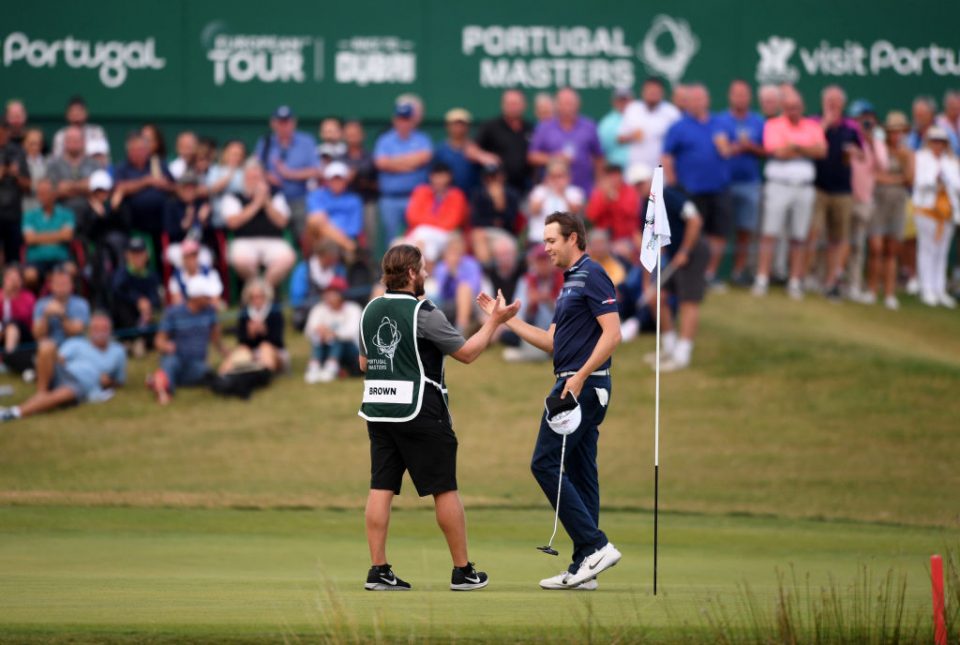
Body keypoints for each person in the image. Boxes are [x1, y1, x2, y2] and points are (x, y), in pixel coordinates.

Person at [357, 243, 519, 592]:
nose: (428, 273)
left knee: (381, 486)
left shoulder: (369, 310)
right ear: (412, 273)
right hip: (421, 411)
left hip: (379, 411)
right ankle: (462, 571)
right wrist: (494, 322)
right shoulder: (424, 313)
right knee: (444, 487)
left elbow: (364, 363)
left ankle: (378, 569)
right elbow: (468, 353)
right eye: (424, 268)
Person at [477, 211, 622, 591]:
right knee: (580, 471)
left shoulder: (592, 274)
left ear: (573, 238)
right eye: (544, 242)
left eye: (551, 241)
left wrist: (579, 376)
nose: (545, 249)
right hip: (576, 384)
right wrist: (504, 319)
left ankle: (594, 545)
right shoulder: (570, 282)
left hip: (582, 387)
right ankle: (584, 567)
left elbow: (613, 334)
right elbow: (552, 343)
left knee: (543, 463)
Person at [752, 87, 827, 299]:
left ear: (802, 108)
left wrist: (795, 145)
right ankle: (762, 278)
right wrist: (805, 147)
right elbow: (778, 152)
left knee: (799, 236)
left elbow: (821, 151)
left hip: (804, 186)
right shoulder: (773, 125)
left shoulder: (812, 126)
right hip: (779, 184)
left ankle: (795, 281)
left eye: (796, 107)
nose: (793, 111)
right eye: (789, 108)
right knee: (769, 233)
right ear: (783, 109)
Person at [662, 84, 733, 286]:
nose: (697, 103)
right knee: (693, 232)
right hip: (691, 189)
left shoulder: (719, 123)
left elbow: (731, 149)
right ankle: (695, 272)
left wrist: (726, 147)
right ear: (687, 102)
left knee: (718, 232)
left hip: (719, 187)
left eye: (701, 99)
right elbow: (667, 156)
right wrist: (674, 183)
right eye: (693, 99)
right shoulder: (679, 126)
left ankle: (710, 274)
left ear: (707, 100)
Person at [640, 173, 710, 372]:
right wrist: (647, 283)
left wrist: (685, 251)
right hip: (674, 254)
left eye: (641, 183)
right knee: (657, 296)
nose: (639, 188)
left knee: (688, 302)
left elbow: (695, 220)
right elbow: (650, 244)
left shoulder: (669, 195)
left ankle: (683, 354)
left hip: (693, 250)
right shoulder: (645, 206)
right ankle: (670, 346)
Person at [0, 313, 126, 423]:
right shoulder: (76, 343)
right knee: (46, 346)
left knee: (67, 391)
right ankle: (41, 393)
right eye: (96, 328)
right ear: (90, 330)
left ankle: (12, 413)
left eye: (104, 328)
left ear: (110, 330)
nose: (100, 332)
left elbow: (119, 382)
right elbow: (59, 358)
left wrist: (109, 382)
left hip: (82, 384)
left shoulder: (118, 351)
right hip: (64, 372)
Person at [807, 86, 862, 300]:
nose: (832, 104)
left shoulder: (851, 126)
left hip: (842, 189)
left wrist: (855, 152)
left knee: (838, 238)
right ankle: (807, 276)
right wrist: (827, 123)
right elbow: (811, 142)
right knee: (813, 232)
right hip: (818, 186)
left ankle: (831, 281)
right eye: (829, 100)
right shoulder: (813, 121)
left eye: (836, 101)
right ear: (822, 101)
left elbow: (861, 152)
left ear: (843, 104)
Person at [715, 80, 766, 284]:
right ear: (730, 96)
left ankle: (738, 272)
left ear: (749, 97)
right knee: (720, 231)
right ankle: (712, 274)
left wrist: (749, 147)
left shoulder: (758, 121)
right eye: (736, 94)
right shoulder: (720, 120)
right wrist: (736, 147)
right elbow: (720, 149)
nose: (740, 98)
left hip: (750, 183)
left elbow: (766, 150)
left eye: (744, 94)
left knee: (745, 230)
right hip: (724, 183)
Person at [862, 111, 913, 310]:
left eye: (900, 132)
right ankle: (872, 290)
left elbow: (910, 178)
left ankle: (890, 293)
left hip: (898, 202)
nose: (896, 135)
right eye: (893, 132)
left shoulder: (907, 153)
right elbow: (874, 175)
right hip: (878, 200)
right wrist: (896, 179)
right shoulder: (879, 149)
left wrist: (893, 176)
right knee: (875, 247)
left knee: (892, 250)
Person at [222, 160, 297, 287]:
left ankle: (262, 291)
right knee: (239, 260)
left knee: (288, 258)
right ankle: (260, 293)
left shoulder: (276, 196)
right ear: (244, 179)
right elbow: (232, 223)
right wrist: (256, 204)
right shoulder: (233, 197)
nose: (255, 181)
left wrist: (266, 203)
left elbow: (283, 223)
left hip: (274, 241)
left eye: (258, 178)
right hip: (243, 241)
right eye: (251, 178)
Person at [150, 275, 223, 405]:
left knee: (207, 372)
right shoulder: (173, 313)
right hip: (176, 359)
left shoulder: (210, 312)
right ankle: (164, 390)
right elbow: (159, 340)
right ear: (196, 297)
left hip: (196, 364)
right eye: (207, 297)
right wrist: (165, 346)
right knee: (170, 363)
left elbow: (216, 339)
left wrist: (228, 355)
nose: (210, 300)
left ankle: (158, 380)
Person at [254, 106, 319, 239]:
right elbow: (256, 167)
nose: (284, 126)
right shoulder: (265, 142)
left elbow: (316, 170)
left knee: (306, 236)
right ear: (273, 123)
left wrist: (289, 174)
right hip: (273, 198)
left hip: (299, 198)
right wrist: (267, 176)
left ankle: (307, 259)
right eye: (280, 122)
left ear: (294, 122)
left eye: (287, 122)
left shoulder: (306, 141)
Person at [912, 126, 960, 308]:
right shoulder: (921, 158)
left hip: (947, 212)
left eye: (941, 141)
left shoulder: (951, 162)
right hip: (926, 209)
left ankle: (939, 290)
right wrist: (935, 179)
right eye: (934, 141)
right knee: (927, 250)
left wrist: (946, 180)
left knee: (941, 252)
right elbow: (920, 181)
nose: (937, 145)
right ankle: (927, 289)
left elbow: (957, 184)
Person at [374, 102, 433, 246]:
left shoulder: (422, 138)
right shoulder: (385, 140)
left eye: (406, 119)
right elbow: (381, 163)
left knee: (417, 236)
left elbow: (425, 157)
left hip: (415, 197)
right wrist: (411, 163)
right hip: (390, 198)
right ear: (394, 120)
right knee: (391, 237)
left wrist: (394, 163)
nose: (403, 123)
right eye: (400, 118)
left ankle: (414, 268)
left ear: (412, 120)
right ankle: (391, 268)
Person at [112, 132, 174, 266]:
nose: (139, 153)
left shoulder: (158, 165)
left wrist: (165, 185)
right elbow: (119, 187)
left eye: (142, 149)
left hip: (161, 221)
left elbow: (174, 187)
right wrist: (146, 181)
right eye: (135, 150)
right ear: (128, 151)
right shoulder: (122, 168)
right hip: (135, 221)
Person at [529, 88, 603, 194]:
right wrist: (554, 158)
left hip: (584, 191)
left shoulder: (589, 126)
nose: (567, 107)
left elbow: (599, 158)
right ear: (557, 105)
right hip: (552, 194)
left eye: (570, 103)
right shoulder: (544, 128)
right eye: (564, 103)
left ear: (578, 104)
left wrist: (599, 183)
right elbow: (532, 156)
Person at [501, 245, 563, 363]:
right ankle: (543, 351)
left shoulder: (563, 280)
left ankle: (534, 352)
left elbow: (568, 314)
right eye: (539, 262)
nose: (543, 265)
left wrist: (549, 301)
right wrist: (531, 303)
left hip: (556, 330)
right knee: (507, 335)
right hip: (533, 328)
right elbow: (518, 314)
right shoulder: (526, 281)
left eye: (546, 261)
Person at [847, 100, 882, 301]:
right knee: (837, 243)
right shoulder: (847, 137)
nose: (863, 123)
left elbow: (883, 164)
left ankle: (853, 285)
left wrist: (870, 142)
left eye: (867, 119)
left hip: (865, 200)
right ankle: (827, 280)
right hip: (844, 196)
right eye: (859, 119)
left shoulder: (875, 141)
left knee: (857, 246)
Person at [219, 278, 286, 375]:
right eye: (253, 297)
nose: (256, 300)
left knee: (265, 347)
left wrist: (265, 331)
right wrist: (250, 334)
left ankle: (264, 374)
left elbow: (278, 341)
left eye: (259, 297)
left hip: (273, 352)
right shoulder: (245, 313)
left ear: (265, 296)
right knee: (242, 351)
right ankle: (223, 374)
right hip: (251, 351)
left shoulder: (274, 312)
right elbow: (241, 341)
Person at [82, 170, 129, 307]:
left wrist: (113, 211)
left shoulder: (120, 206)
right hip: (99, 253)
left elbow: (125, 227)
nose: (102, 195)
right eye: (98, 191)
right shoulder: (89, 210)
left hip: (120, 249)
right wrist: (98, 216)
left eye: (105, 191)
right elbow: (88, 233)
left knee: (114, 241)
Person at [404, 162, 468, 262]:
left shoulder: (457, 195)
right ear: (431, 177)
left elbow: (452, 222)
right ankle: (425, 275)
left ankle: (420, 273)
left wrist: (427, 223)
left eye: (442, 176)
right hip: (420, 233)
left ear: (449, 177)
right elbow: (412, 217)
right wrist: (434, 221)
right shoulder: (421, 191)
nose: (439, 180)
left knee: (422, 235)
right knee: (426, 244)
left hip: (445, 234)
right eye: (436, 176)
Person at [303, 276, 362, 383]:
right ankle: (314, 366)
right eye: (327, 292)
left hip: (351, 352)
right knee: (319, 337)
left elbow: (352, 332)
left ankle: (331, 366)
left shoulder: (353, 309)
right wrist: (320, 331)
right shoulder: (319, 309)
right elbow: (308, 331)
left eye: (332, 292)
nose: (328, 296)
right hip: (325, 347)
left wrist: (332, 333)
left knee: (336, 338)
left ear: (341, 294)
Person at [475, 90, 533, 195]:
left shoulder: (530, 128)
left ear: (524, 105)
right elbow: (470, 148)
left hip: (525, 187)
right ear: (503, 105)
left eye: (516, 104)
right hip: (498, 187)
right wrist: (482, 156)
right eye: (509, 104)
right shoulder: (491, 126)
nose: (513, 107)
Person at [110, 238, 161, 355]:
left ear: (146, 255)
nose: (137, 257)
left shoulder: (151, 275)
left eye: (140, 253)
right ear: (127, 255)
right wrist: (138, 300)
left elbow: (156, 297)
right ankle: (130, 340)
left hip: (145, 318)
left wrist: (148, 305)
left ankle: (139, 341)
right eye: (134, 254)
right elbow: (118, 290)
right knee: (121, 305)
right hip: (126, 320)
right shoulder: (121, 273)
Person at [618, 77, 682, 170]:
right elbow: (620, 139)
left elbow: (680, 141)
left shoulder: (672, 112)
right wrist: (632, 136)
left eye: (656, 92)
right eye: (650, 91)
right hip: (637, 170)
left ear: (662, 93)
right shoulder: (632, 109)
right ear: (643, 92)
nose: (652, 94)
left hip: (662, 170)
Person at [22, 178, 75, 288]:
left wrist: (39, 236)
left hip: (61, 259)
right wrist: (58, 235)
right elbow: (29, 239)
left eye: (46, 193)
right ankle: (33, 303)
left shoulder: (67, 214)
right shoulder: (29, 215)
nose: (42, 196)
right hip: (36, 261)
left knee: (71, 270)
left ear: (54, 194)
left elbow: (67, 236)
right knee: (29, 275)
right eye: (39, 193)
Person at [432, 108, 497, 196]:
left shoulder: (476, 148)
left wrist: (478, 155)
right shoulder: (440, 150)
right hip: (448, 200)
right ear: (447, 126)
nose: (458, 128)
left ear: (468, 127)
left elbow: (494, 165)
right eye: (455, 124)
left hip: (472, 198)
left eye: (462, 124)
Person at [305, 161, 362, 255]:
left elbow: (354, 229)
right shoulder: (317, 195)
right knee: (314, 220)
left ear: (346, 181)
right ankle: (348, 245)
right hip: (321, 239)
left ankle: (345, 244)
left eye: (340, 179)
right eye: (333, 179)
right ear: (328, 181)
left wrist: (335, 235)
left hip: (344, 237)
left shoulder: (354, 200)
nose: (336, 182)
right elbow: (316, 220)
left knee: (331, 243)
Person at [430, 233, 483, 333]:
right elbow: (440, 291)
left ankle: (461, 330)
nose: (455, 253)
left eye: (457, 249)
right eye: (452, 249)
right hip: (447, 303)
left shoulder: (471, 263)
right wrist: (449, 271)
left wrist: (456, 274)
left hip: (471, 302)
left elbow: (473, 288)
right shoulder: (442, 266)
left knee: (463, 289)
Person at [469, 163, 519, 265]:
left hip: (505, 234)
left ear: (501, 177)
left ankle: (492, 274)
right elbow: (475, 221)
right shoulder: (478, 195)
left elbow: (511, 222)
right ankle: (487, 272)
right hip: (484, 233)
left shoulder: (511, 194)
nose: (491, 181)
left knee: (502, 247)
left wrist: (500, 203)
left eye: (494, 177)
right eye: (488, 178)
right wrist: (494, 221)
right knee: (478, 235)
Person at [585, 164, 641, 254]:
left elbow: (631, 212)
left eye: (616, 175)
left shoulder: (630, 191)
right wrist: (605, 200)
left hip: (626, 237)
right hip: (603, 237)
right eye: (610, 176)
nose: (613, 179)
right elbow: (591, 216)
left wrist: (615, 199)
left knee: (621, 249)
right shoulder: (600, 192)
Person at [163, 172, 214, 269]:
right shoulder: (171, 205)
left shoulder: (202, 204)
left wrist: (203, 221)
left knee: (205, 258)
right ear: (179, 189)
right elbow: (170, 232)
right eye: (186, 187)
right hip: (178, 246)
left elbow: (211, 236)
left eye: (192, 187)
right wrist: (185, 223)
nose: (189, 190)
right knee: (182, 258)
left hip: (199, 247)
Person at [528, 158, 584, 244]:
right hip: (539, 239)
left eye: (560, 176)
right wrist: (548, 190)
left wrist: (563, 193)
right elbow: (534, 210)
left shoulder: (575, 192)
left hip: (565, 241)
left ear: (568, 177)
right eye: (553, 176)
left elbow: (575, 213)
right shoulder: (539, 191)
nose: (556, 180)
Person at [32, 265, 90, 347]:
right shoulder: (41, 304)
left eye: (64, 283)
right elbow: (37, 335)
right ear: (51, 286)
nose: (61, 287)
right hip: (51, 347)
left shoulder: (81, 304)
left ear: (71, 285)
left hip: (75, 346)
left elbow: (75, 332)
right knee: (45, 347)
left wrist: (62, 315)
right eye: (58, 283)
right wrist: (45, 316)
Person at [0, 117, 30, 265]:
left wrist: (16, 175)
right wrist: (5, 170)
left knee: (14, 260)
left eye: (5, 132)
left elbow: (28, 185)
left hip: (13, 216)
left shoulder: (17, 152)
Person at [0, 265, 36, 374]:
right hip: (3, 332)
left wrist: (12, 299)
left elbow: (23, 318)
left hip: (24, 333)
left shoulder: (28, 297)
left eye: (17, 279)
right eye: (10, 279)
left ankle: (7, 360)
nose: (14, 282)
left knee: (12, 326)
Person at [168, 239, 223, 308]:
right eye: (188, 256)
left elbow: (216, 300)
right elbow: (177, 302)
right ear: (183, 258)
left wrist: (199, 303)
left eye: (194, 255)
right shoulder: (176, 277)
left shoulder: (210, 273)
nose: (191, 259)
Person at [52, 96, 110, 160]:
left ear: (86, 113)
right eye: (73, 111)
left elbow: (104, 160)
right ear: (67, 115)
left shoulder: (97, 132)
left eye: (79, 111)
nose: (76, 115)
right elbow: (56, 161)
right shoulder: (60, 135)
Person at [206, 140, 246, 227]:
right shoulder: (214, 170)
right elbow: (211, 190)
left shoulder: (245, 172)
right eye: (233, 154)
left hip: (240, 220)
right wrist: (229, 176)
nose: (237, 157)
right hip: (218, 220)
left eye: (240, 155)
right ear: (224, 153)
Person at [598, 88, 633, 169]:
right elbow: (601, 154)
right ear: (614, 102)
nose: (623, 103)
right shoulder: (606, 124)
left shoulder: (640, 118)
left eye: (625, 100)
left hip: (639, 173)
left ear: (632, 100)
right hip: (616, 172)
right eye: (620, 100)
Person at [21, 129, 46, 214]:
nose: (35, 147)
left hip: (43, 206)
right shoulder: (17, 164)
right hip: (21, 206)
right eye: (31, 144)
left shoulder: (49, 163)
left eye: (38, 144)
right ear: (24, 144)